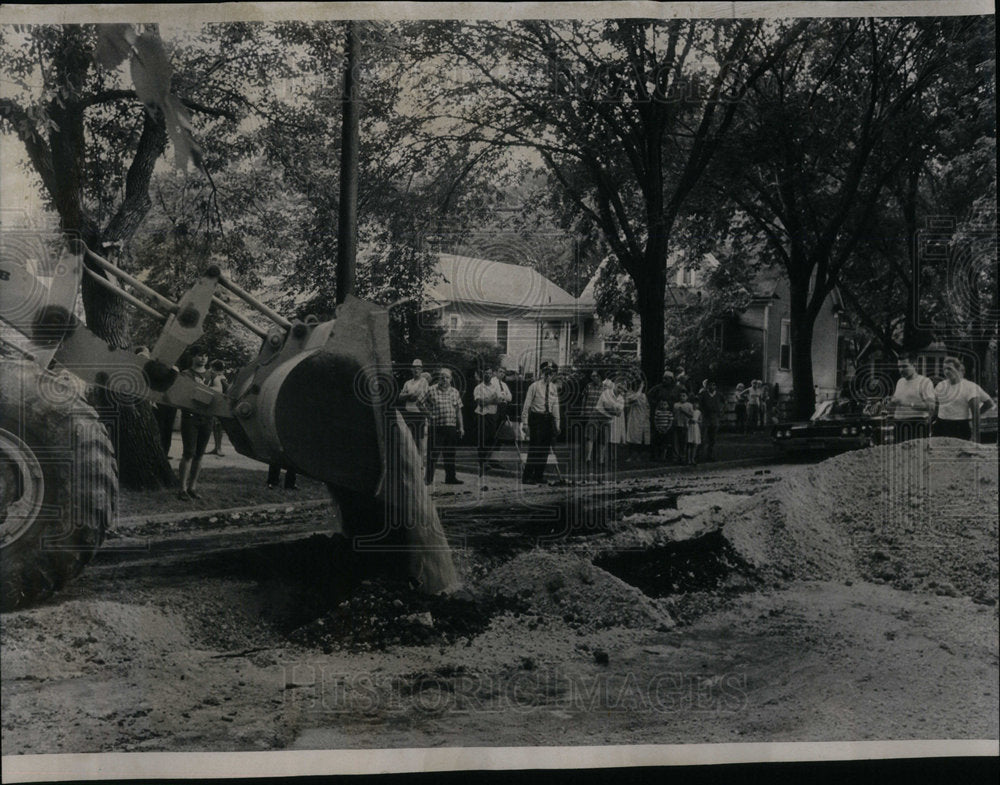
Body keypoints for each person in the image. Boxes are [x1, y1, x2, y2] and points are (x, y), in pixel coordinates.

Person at [177, 347, 213, 500]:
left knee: (200, 454)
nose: (203, 358)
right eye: (200, 355)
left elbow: (220, 393)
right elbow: (184, 393)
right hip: (190, 417)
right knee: (188, 453)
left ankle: (193, 487)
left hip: (207, 417)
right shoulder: (186, 374)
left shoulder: (212, 374)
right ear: (193, 357)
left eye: (205, 355)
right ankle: (182, 489)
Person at [933, 356, 993, 441]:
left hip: (959, 427)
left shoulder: (970, 387)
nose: (946, 372)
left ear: (958, 369)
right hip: (940, 425)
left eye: (950, 369)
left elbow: (989, 403)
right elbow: (936, 405)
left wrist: (975, 435)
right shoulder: (940, 385)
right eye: (944, 369)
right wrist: (934, 420)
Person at [521, 361, 560, 485]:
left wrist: (557, 424)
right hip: (536, 418)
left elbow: (555, 406)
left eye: (551, 374)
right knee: (535, 447)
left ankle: (539, 475)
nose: (549, 376)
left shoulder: (553, 388)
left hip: (548, 419)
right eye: (547, 373)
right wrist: (525, 423)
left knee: (544, 449)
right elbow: (527, 405)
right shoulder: (534, 386)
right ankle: (527, 476)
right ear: (542, 373)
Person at [424, 368, 464, 485]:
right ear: (439, 378)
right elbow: (419, 403)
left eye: (446, 377)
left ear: (450, 379)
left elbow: (458, 411)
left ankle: (450, 478)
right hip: (436, 427)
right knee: (433, 454)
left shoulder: (455, 392)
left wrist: (461, 427)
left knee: (450, 454)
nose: (444, 379)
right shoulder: (431, 390)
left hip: (451, 427)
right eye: (442, 377)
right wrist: (428, 414)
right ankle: (428, 479)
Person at [888, 353, 936, 441]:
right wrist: (889, 403)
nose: (901, 370)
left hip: (916, 425)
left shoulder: (924, 382)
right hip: (899, 424)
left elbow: (931, 406)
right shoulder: (900, 382)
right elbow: (895, 404)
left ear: (914, 365)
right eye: (899, 367)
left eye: (904, 366)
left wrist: (908, 404)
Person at [473, 366, 512, 476]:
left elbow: (500, 400)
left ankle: (487, 460)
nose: (488, 375)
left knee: (491, 438)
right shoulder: (478, 388)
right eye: (485, 373)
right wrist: (492, 399)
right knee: (482, 438)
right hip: (481, 415)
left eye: (489, 373)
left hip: (492, 415)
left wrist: (488, 400)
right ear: (482, 375)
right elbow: (480, 402)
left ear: (491, 375)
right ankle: (482, 462)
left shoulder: (496, 387)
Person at [594, 378, 625, 480]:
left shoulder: (621, 399)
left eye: (622, 388)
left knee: (605, 440)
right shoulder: (607, 393)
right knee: (596, 439)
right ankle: (594, 459)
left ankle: (602, 460)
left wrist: (613, 410)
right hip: (598, 416)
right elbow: (606, 407)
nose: (620, 389)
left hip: (609, 419)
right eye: (619, 387)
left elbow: (619, 413)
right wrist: (613, 410)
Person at [399, 359, 430, 450]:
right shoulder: (407, 382)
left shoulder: (424, 381)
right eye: (414, 368)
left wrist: (406, 395)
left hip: (419, 413)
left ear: (421, 370)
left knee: (419, 439)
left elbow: (415, 397)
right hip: (408, 413)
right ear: (411, 369)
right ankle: (413, 461)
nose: (416, 370)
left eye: (418, 368)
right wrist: (409, 395)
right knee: (408, 439)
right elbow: (400, 397)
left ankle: (421, 462)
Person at [648, 371, 678, 462]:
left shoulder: (676, 389)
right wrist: (656, 404)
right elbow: (649, 396)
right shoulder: (657, 388)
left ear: (671, 380)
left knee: (669, 437)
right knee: (657, 436)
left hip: (670, 416)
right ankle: (655, 455)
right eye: (664, 378)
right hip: (659, 416)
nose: (664, 380)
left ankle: (668, 455)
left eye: (667, 379)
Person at [581, 370, 604, 474]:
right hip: (590, 414)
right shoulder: (588, 386)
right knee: (590, 436)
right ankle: (588, 458)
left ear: (599, 377)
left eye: (595, 376)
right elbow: (584, 398)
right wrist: (582, 410)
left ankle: (599, 459)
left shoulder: (605, 388)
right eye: (592, 376)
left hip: (601, 415)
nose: (593, 378)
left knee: (601, 438)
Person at [624, 377, 650, 462]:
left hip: (642, 418)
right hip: (633, 418)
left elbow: (646, 406)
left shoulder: (643, 396)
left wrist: (647, 417)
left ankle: (639, 455)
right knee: (632, 437)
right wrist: (640, 388)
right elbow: (634, 398)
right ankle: (631, 455)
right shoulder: (630, 394)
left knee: (640, 438)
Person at [207, 359, 228, 456]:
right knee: (216, 427)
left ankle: (218, 448)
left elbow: (225, 391)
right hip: (219, 403)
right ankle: (217, 447)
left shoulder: (220, 378)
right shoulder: (222, 377)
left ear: (214, 368)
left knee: (218, 427)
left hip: (220, 404)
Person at [698, 380, 722, 461]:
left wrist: (721, 412)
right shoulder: (703, 394)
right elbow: (699, 404)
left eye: (713, 385)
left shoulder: (718, 394)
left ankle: (710, 455)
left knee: (713, 438)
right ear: (707, 386)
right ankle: (699, 455)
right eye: (710, 385)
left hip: (714, 418)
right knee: (702, 437)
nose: (712, 387)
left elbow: (723, 403)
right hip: (705, 417)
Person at [673, 390, 694, 464]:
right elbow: (674, 414)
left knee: (684, 442)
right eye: (680, 396)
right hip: (676, 425)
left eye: (684, 396)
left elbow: (691, 415)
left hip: (685, 426)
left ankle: (683, 457)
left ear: (687, 397)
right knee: (676, 442)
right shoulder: (675, 405)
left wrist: (683, 412)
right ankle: (676, 457)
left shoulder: (689, 405)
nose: (682, 397)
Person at [687, 400, 702, 466]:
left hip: (696, 427)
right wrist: (690, 420)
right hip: (690, 427)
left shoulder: (699, 412)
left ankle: (693, 459)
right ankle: (688, 459)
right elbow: (687, 419)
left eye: (697, 404)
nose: (695, 405)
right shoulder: (690, 411)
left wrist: (696, 421)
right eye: (694, 404)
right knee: (689, 444)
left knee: (695, 444)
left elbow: (701, 420)